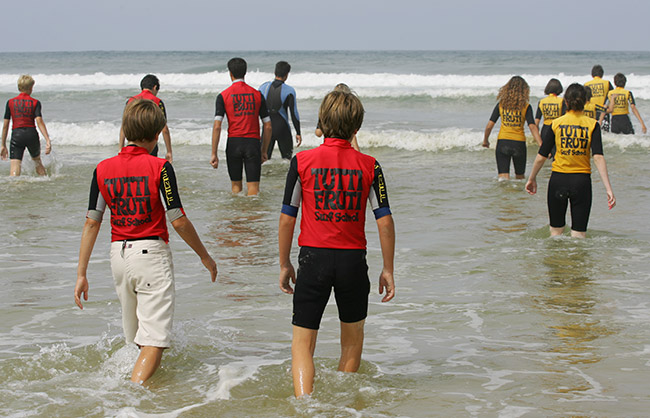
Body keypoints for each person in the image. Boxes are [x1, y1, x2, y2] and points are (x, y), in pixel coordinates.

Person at [74, 99, 218, 385]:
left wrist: (81, 273)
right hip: (150, 255)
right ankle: (132, 395)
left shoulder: (102, 169)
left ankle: (140, 395)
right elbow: (177, 218)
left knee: (136, 338)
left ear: (125, 131)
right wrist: (204, 256)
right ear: (157, 135)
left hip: (118, 257)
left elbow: (92, 221)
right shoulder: (161, 167)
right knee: (155, 341)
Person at [278, 90, 396, 397]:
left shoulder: (301, 162)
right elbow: (384, 220)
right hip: (352, 263)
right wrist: (388, 268)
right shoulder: (370, 165)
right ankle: (343, 405)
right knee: (352, 341)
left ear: (322, 122)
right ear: (357, 127)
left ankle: (305, 406)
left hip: (313, 259)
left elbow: (288, 217)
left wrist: (284, 263)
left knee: (303, 344)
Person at [525, 83, 616, 238]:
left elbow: (541, 156)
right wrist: (608, 188)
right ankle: (577, 262)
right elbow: (598, 157)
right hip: (581, 182)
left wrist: (532, 178)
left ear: (565, 102)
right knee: (579, 235)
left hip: (558, 181)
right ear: (586, 102)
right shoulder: (592, 125)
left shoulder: (556, 124)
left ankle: (556, 261)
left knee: (555, 232)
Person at [211, 57, 272, 195]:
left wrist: (214, 153)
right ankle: (254, 216)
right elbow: (268, 126)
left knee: (236, 189)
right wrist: (264, 150)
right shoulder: (257, 95)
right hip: (253, 143)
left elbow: (217, 126)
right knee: (254, 190)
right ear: (245, 72)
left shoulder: (223, 96)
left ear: (230, 73)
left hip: (234, 143)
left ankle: (237, 216)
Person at [483, 76, 542, 180]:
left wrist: (485, 140)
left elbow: (489, 126)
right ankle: (518, 196)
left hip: (503, 143)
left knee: (503, 178)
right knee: (520, 178)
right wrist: (541, 144)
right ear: (524, 91)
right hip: (519, 144)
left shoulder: (501, 105)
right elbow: (532, 126)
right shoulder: (526, 106)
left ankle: (504, 196)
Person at [1, 75, 52, 176]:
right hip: (31, 134)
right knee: (38, 163)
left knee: (15, 167)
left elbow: (5, 126)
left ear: (19, 87)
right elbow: (39, 121)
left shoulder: (10, 102)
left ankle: (15, 187)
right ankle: (45, 182)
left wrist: (2, 144)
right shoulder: (35, 102)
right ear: (31, 88)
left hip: (17, 135)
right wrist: (47, 139)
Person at [119, 74, 173, 163]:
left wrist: (120, 148)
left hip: (132, 144)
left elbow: (124, 126)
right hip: (150, 143)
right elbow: (165, 129)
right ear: (155, 87)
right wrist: (169, 152)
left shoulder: (130, 101)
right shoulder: (157, 102)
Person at [258, 61, 302, 160]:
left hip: (267, 128)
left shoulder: (263, 87)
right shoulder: (290, 91)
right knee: (287, 161)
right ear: (287, 75)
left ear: (275, 72)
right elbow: (294, 113)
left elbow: (257, 109)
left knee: (263, 159)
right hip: (283, 128)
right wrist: (298, 132)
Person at [315, 83, 360, 151]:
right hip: (346, 147)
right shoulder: (350, 112)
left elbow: (318, 133)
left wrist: (323, 128)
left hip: (328, 145)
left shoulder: (327, 112)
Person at [585, 65, 613, 131]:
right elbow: (611, 96)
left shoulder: (587, 84)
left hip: (591, 110)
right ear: (602, 74)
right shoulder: (607, 83)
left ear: (592, 75)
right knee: (604, 133)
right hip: (603, 110)